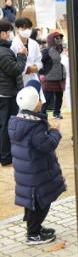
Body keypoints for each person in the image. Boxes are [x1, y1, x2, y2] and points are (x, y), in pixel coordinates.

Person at [9, 81, 65, 245]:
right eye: (39, 100)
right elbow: (47, 145)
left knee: (32, 203)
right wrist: (55, 131)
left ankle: (35, 229)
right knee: (41, 203)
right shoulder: (34, 127)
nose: (41, 102)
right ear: (34, 104)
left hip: (27, 173)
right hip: (36, 173)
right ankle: (33, 234)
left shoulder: (18, 121)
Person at [0, 20, 27, 166]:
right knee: (6, 125)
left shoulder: (4, 50)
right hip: (7, 94)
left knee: (3, 124)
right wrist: (22, 56)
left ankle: (4, 154)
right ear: (2, 34)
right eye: (8, 32)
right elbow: (15, 70)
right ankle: (6, 156)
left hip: (4, 92)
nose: (10, 35)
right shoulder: (3, 52)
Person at [39, 33, 66, 120]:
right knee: (47, 97)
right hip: (49, 78)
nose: (59, 40)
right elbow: (40, 62)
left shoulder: (59, 49)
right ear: (51, 39)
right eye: (57, 38)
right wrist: (41, 73)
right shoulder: (45, 51)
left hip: (59, 77)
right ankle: (42, 114)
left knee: (59, 96)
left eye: (60, 38)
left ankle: (57, 113)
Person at [12, 18, 42, 86]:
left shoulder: (34, 44)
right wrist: (26, 70)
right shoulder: (13, 44)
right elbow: (12, 64)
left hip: (33, 78)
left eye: (29, 28)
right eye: (24, 28)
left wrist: (36, 67)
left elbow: (39, 60)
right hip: (19, 80)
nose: (27, 30)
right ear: (17, 29)